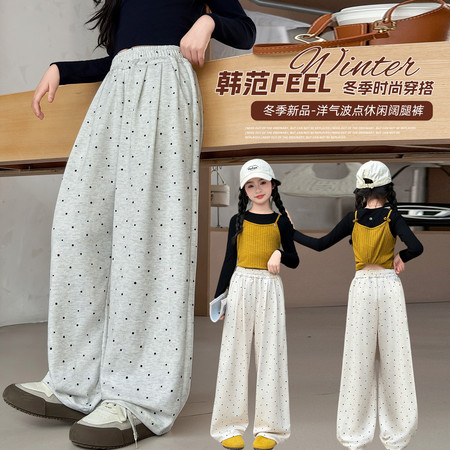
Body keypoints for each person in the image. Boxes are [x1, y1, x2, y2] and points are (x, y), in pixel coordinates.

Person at [2, 1, 255, 449]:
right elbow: (119, 57)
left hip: (166, 90)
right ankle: (76, 384)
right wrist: (62, 69)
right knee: (78, 231)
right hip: (115, 94)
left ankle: (138, 399)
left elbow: (244, 29)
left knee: (148, 242)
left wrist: (208, 21)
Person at [292, 161, 423, 450]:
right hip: (389, 286)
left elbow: (320, 244)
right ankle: (398, 433)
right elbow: (417, 247)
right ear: (387, 188)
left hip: (362, 287)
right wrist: (401, 256)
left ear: (361, 190)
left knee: (357, 360)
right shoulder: (393, 217)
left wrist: (290, 231)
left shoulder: (353, 218)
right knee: (395, 359)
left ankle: (354, 434)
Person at [210, 159, 299, 450]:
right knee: (233, 356)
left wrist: (279, 253)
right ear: (244, 190)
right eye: (250, 185)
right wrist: (219, 298)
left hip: (269, 289)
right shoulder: (237, 221)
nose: (257, 189)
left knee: (271, 356)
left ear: (272, 184)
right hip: (240, 286)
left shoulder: (281, 222)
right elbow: (228, 261)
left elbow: (294, 259)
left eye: (262, 182)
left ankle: (270, 430)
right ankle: (228, 427)